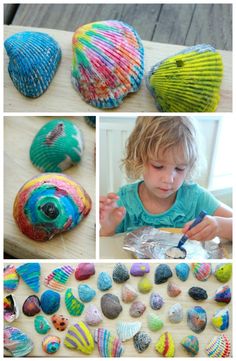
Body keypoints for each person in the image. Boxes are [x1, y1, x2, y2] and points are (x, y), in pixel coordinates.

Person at [100, 116, 232, 241]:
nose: (169, 179)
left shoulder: (196, 198)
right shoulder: (124, 201)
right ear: (139, 160)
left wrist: (219, 226)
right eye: (158, 166)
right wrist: (107, 230)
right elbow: (106, 249)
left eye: (179, 169)